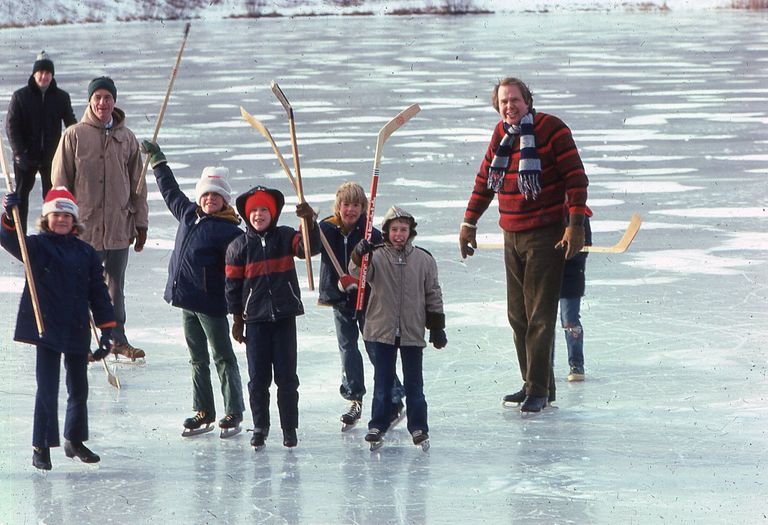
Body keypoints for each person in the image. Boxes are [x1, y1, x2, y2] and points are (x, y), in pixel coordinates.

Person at [459, 77, 588, 413]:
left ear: (527, 100)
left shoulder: (552, 129)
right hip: (511, 233)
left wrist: (574, 226)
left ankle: (538, 390)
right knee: (518, 316)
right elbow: (485, 181)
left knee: (540, 316)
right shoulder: (501, 135)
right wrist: (468, 223)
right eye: (503, 102)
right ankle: (536, 384)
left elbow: (576, 179)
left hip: (546, 234)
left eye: (515, 100)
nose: (509, 106)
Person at [1, 187, 115, 471]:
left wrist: (107, 330)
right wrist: (8, 216)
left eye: (67, 215)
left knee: (79, 388)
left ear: (75, 221)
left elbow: (98, 293)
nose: (62, 220)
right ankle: (41, 445)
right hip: (47, 327)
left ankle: (74, 440)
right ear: (46, 219)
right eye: (56, 215)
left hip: (77, 327)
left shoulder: (87, 253)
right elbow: (8, 239)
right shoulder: (37, 246)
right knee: (47, 388)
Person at [142, 141, 246, 436]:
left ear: (224, 200)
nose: (210, 199)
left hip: (211, 304)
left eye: (216, 196)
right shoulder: (188, 214)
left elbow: (239, 273)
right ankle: (203, 411)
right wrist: (158, 161)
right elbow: (170, 191)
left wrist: (239, 313)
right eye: (206, 194)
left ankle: (234, 410)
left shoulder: (231, 232)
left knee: (222, 355)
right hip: (186, 300)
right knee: (196, 357)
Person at [51, 76, 148, 360]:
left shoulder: (127, 138)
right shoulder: (74, 135)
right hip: (84, 230)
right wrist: (61, 225)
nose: (103, 103)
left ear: (114, 102)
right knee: (81, 287)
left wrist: (140, 223)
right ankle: (78, 340)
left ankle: (117, 339)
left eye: (108, 98)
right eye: (98, 98)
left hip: (119, 226)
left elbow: (138, 186)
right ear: (90, 101)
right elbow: (60, 184)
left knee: (115, 286)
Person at [225, 185, 320, 449]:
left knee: (287, 378)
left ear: (273, 212)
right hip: (255, 321)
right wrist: (236, 319)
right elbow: (232, 287)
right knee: (258, 379)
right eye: (253, 210)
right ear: (246, 214)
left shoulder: (287, 236)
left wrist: (309, 222)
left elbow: (308, 250)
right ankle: (260, 427)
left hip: (284, 318)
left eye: (264, 209)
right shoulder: (238, 246)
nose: (258, 214)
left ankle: (289, 429)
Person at [349, 206, 446, 448]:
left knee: (415, 384)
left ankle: (419, 427)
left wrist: (436, 327)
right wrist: (358, 255)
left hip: (412, 331)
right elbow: (356, 273)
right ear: (386, 231)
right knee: (382, 383)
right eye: (394, 230)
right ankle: (378, 425)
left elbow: (433, 293)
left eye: (403, 229)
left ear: (410, 232)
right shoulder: (376, 256)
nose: (399, 234)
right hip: (380, 330)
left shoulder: (424, 259)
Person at [317, 182, 404, 430]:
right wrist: (308, 225)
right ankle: (355, 398)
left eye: (356, 205)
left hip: (367, 301)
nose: (351, 210)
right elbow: (307, 248)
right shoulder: (325, 229)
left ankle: (395, 398)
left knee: (375, 348)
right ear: (338, 206)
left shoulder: (371, 234)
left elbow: (385, 267)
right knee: (348, 349)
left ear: (364, 207)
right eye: (346, 205)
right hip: (339, 298)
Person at [5, 51, 77, 233]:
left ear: (52, 75)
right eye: (40, 72)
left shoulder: (61, 97)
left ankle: (50, 234)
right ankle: (18, 234)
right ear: (34, 74)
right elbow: (12, 126)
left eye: (47, 73)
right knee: (21, 196)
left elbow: (71, 125)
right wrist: (19, 152)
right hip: (26, 156)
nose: (44, 76)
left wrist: (79, 142)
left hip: (52, 158)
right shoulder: (20, 96)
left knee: (52, 197)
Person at [558, 212, 592, 383]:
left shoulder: (580, 215)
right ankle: (543, 366)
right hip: (545, 272)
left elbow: (584, 248)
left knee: (569, 320)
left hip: (571, 275)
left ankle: (576, 364)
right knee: (543, 322)